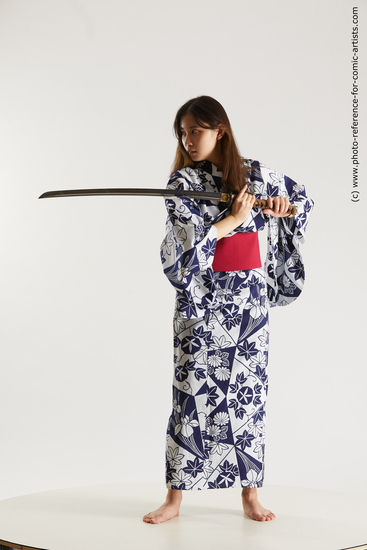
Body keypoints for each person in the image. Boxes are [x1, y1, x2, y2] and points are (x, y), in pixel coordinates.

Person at [143, 96, 313, 524]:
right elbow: (181, 254)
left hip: (248, 309)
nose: (188, 139)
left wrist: (283, 209)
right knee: (190, 398)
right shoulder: (182, 184)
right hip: (201, 308)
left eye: (195, 130)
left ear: (220, 129)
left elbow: (302, 203)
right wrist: (227, 224)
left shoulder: (257, 175)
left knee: (247, 399)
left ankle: (250, 495)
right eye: (182, 132)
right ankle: (174, 498)